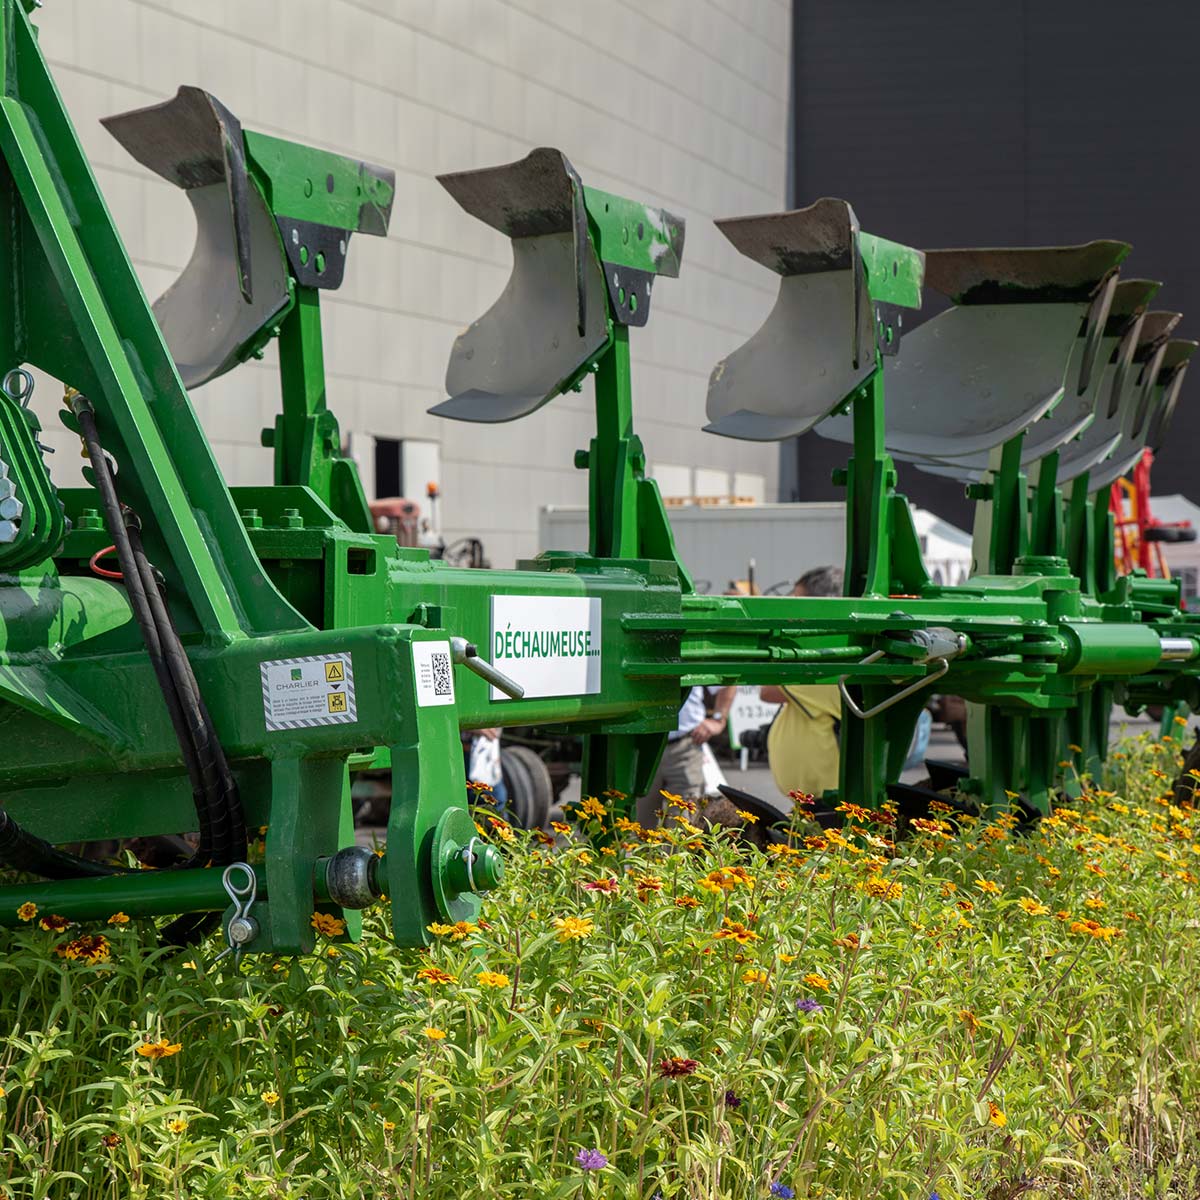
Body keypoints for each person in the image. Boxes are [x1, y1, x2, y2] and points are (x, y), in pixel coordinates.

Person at [760, 566, 843, 801]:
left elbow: (767, 690)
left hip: (826, 802)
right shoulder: (828, 651)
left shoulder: (824, 658)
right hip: (815, 801)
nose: (791, 608)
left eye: (796, 600)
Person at [636, 685, 736, 826]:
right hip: (643, 747)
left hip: (685, 746)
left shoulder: (694, 661)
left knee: (683, 825)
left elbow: (728, 681)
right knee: (640, 826)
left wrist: (718, 719)